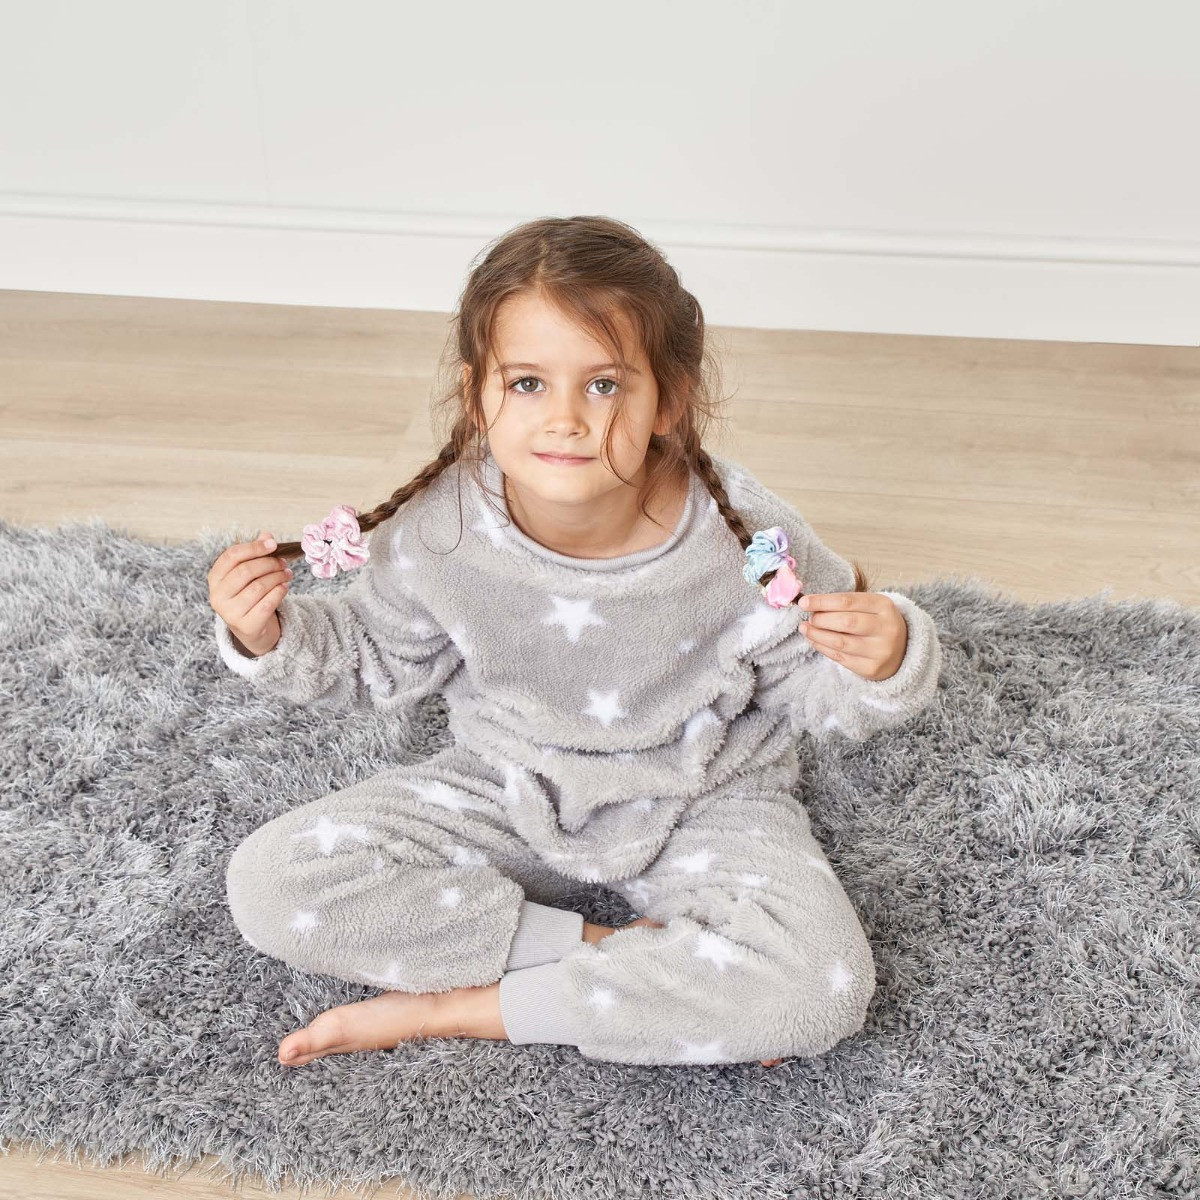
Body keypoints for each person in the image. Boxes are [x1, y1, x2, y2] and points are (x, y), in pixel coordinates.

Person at [206, 215, 942, 1070]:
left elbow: (814, 687)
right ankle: (632, 965)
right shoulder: (440, 531)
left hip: (706, 797)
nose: (564, 418)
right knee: (271, 884)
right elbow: (375, 657)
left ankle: (468, 1009)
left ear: (669, 399)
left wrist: (888, 658)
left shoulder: (748, 539)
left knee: (821, 988)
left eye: (603, 385)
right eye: (527, 383)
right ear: (477, 394)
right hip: (509, 782)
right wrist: (267, 633)